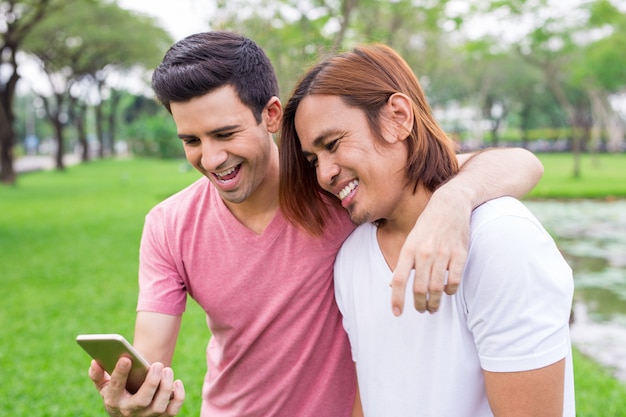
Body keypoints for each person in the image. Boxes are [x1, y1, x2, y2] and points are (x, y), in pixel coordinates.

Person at [87, 32, 544, 417]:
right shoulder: (169, 225)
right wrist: (136, 400)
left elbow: (518, 163)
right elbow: (149, 358)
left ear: (270, 115)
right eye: (191, 140)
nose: (211, 158)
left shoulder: (340, 188)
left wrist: (454, 200)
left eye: (225, 134)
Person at [278, 43, 575, 416]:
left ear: (398, 117)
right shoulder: (351, 258)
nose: (324, 174)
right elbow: (370, 396)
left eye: (333, 144)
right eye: (313, 160)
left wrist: (454, 199)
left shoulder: (500, 240)